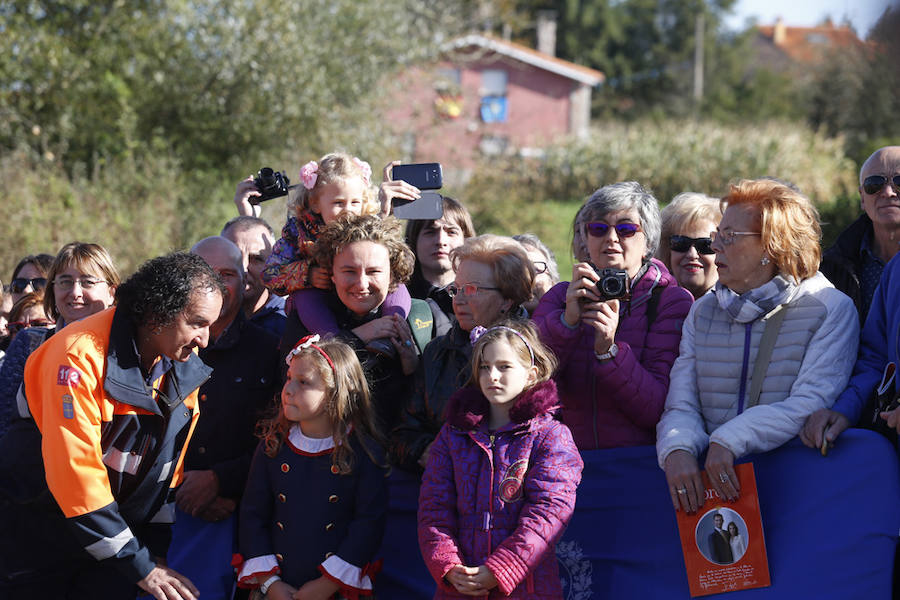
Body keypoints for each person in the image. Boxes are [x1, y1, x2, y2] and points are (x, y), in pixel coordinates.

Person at [0, 252, 224, 599]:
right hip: (37, 540)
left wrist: (155, 555)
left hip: (110, 549)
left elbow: (165, 473)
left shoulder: (183, 369)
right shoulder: (76, 354)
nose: (205, 340)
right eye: (197, 323)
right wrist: (140, 565)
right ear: (156, 313)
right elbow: (76, 473)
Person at [657, 179, 859, 514]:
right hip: (716, 499)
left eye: (729, 236)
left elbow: (809, 402)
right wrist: (676, 448)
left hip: (796, 493)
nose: (715, 245)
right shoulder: (702, 310)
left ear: (772, 246)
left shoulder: (830, 309)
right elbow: (681, 405)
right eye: (718, 233)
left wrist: (729, 440)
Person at [418, 320, 583, 598]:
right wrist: (448, 565)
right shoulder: (452, 434)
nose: (492, 375)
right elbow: (434, 508)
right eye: (484, 367)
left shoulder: (552, 436)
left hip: (526, 589)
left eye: (504, 366)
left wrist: (500, 570)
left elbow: (548, 514)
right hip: (461, 587)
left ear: (531, 374)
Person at [533, 181, 694, 450]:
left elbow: (656, 410)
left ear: (649, 242)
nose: (611, 238)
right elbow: (528, 382)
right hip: (566, 466)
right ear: (585, 239)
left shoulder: (669, 301)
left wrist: (609, 352)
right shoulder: (561, 297)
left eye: (626, 229)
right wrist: (566, 324)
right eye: (598, 229)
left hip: (639, 464)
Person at [167, 237, 280, 600]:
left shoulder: (270, 350)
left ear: (245, 281)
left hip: (244, 519)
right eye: (205, 274)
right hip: (161, 518)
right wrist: (186, 486)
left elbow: (278, 437)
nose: (216, 285)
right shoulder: (162, 347)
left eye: (227, 275)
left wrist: (221, 482)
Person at [236, 334, 387, 599]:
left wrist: (327, 584)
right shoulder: (273, 446)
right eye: (289, 378)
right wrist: (269, 582)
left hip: (336, 589)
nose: (289, 389)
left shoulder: (363, 452)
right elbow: (252, 516)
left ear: (336, 391)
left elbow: (368, 523)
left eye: (304, 382)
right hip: (276, 586)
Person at [390, 234, 535, 472]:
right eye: (456, 290)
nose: (459, 300)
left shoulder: (535, 354)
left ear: (507, 299)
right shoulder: (437, 353)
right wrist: (426, 450)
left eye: (472, 289)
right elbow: (403, 433)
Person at [262, 153, 411, 357]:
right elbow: (270, 274)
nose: (348, 211)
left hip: (360, 292)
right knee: (305, 294)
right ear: (315, 203)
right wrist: (307, 274)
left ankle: (391, 330)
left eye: (355, 202)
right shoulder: (299, 230)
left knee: (394, 282)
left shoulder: (368, 224)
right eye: (339, 203)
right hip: (321, 295)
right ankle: (335, 341)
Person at [296, 214, 432, 435]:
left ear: (392, 275)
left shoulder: (421, 317)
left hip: (393, 454)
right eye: (349, 271)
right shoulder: (307, 318)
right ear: (331, 274)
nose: (361, 284)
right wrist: (355, 337)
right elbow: (293, 387)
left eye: (374, 272)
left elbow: (433, 407)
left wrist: (412, 367)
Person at [0, 242, 120, 438]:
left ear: (111, 292)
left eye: (88, 282)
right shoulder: (31, 344)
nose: (75, 293)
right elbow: (6, 422)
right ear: (53, 290)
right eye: (65, 282)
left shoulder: (133, 349)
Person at [821, 146, 900, 324]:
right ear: (862, 197)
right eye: (874, 184)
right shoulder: (831, 269)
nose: (888, 193)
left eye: (899, 182)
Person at [404, 195, 476, 326]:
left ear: (466, 241)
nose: (441, 241)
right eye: (430, 232)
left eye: (451, 232)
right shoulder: (398, 296)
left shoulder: (480, 297)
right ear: (414, 240)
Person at [221, 215, 287, 337]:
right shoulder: (201, 323)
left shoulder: (287, 325)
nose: (244, 268)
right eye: (234, 256)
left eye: (256, 259)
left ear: (273, 264)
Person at [657, 193, 722, 299]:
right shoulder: (651, 303)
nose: (692, 254)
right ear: (667, 251)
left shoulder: (737, 308)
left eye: (705, 245)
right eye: (681, 243)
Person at [513, 233, 560, 314]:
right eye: (516, 270)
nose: (527, 278)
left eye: (535, 270)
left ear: (552, 282)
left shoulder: (570, 322)